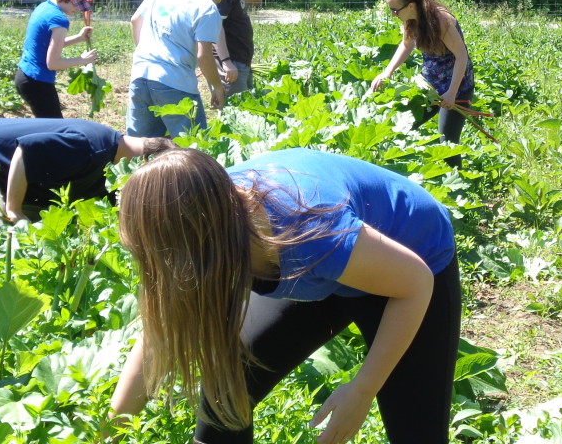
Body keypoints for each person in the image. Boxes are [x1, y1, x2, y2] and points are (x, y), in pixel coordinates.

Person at [109, 147, 460, 444]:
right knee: (229, 384)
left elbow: (415, 283)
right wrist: (110, 431)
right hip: (323, 262)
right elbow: (161, 330)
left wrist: (363, 389)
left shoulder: (308, 227)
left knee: (417, 432)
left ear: (199, 243)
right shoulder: (205, 216)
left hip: (410, 263)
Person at [0, 117, 175, 222]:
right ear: (143, 164)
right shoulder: (90, 147)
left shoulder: (113, 163)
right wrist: (14, 210)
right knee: (0, 240)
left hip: (3, 169)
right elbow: (26, 150)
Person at [369, 0, 475, 167]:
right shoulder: (409, 20)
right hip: (429, 83)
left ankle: (459, 187)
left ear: (411, 6)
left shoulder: (442, 21)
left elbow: (462, 56)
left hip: (457, 84)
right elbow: (406, 44)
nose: (393, 15)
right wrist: (387, 72)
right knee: (404, 125)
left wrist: (451, 93)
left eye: (395, 10)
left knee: (448, 142)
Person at [126, 0, 237, 138]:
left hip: (140, 74)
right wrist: (217, 87)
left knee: (138, 147)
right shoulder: (207, 8)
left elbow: (135, 20)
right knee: (194, 147)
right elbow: (204, 56)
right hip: (174, 83)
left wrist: (145, 55)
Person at [16, 0, 97, 118]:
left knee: (47, 128)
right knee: (55, 130)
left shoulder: (44, 7)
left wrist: (79, 38)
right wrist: (82, 59)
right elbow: (53, 63)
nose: (78, 10)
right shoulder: (59, 20)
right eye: (77, 5)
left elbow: (48, 46)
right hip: (37, 82)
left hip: (25, 76)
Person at [215, 0, 267, 99]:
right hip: (231, 62)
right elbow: (216, 26)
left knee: (245, 110)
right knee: (234, 113)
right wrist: (226, 62)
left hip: (240, 61)